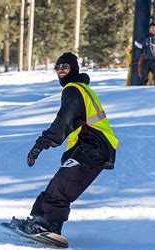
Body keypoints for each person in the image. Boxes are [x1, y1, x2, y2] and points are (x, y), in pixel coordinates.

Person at [8, 52, 118, 236]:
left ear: (73, 69)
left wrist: (38, 146)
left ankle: (49, 227)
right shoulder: (79, 89)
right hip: (91, 147)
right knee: (55, 186)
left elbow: (62, 124)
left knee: (60, 190)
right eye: (57, 67)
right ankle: (37, 222)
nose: (60, 70)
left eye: (65, 67)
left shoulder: (74, 90)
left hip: (94, 148)